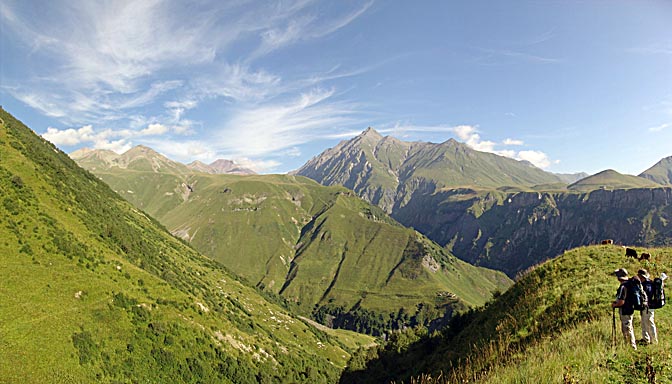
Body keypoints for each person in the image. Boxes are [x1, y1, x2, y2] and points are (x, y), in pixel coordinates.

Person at [611, 268, 637, 350]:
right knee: (628, 327)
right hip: (630, 309)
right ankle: (629, 346)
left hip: (625, 310)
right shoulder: (629, 284)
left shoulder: (623, 287)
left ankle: (632, 347)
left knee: (627, 328)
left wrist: (615, 305)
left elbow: (621, 302)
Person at [638, 269, 658, 344]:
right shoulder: (650, 283)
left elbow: (647, 296)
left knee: (648, 323)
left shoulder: (646, 285)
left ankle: (652, 340)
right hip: (650, 307)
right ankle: (647, 339)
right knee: (646, 322)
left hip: (647, 307)